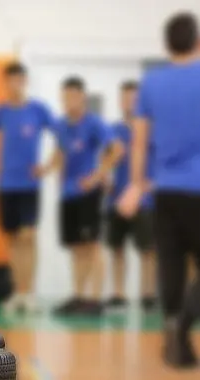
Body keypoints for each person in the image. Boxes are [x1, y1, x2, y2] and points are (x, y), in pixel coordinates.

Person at [117, 12, 200, 368]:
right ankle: (182, 326)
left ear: (167, 45)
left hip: (164, 190)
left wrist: (136, 185)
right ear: (197, 40)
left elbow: (139, 142)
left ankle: (174, 339)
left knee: (171, 266)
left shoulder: (152, 83)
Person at [0, 62, 54, 314]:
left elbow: (62, 137)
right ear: (6, 82)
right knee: (13, 239)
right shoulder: (0, 111)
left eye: (19, 80)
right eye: (10, 80)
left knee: (29, 236)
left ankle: (30, 293)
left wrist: (47, 167)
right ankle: (18, 292)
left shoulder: (38, 110)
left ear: (25, 81)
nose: (15, 85)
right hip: (6, 185)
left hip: (29, 185)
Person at [51, 77, 124, 316]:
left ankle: (95, 299)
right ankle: (79, 296)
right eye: (65, 96)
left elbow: (117, 149)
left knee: (92, 245)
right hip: (68, 193)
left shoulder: (94, 123)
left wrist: (97, 176)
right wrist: (49, 173)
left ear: (82, 97)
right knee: (76, 247)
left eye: (73, 96)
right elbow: (61, 153)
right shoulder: (61, 125)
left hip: (89, 194)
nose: (69, 101)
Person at [105, 81, 156, 311]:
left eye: (133, 98)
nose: (129, 103)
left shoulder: (150, 130)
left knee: (148, 249)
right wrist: (104, 177)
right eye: (125, 98)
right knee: (117, 248)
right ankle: (118, 294)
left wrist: (150, 186)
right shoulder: (113, 131)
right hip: (117, 198)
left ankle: (148, 295)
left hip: (144, 199)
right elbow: (104, 160)